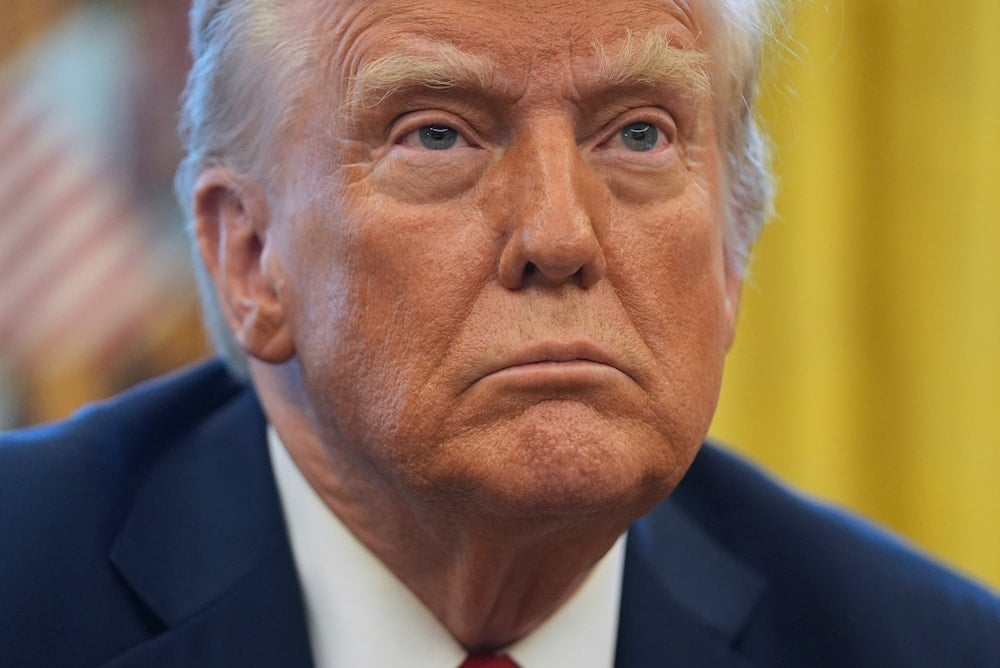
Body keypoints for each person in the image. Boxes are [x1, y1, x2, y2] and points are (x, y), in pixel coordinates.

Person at [2, 0, 999, 666]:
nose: (559, 234)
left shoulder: (923, 645)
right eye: (436, 132)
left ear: (731, 255)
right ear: (249, 257)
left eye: (639, 133)